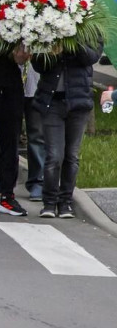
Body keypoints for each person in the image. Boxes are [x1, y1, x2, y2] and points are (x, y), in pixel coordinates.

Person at [32, 34, 103, 219]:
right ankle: (49, 202)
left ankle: (66, 202)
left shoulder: (89, 27)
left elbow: (91, 57)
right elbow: (38, 65)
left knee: (71, 155)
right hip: (52, 102)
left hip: (78, 103)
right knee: (54, 156)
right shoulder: (48, 28)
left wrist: (72, 41)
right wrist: (54, 49)